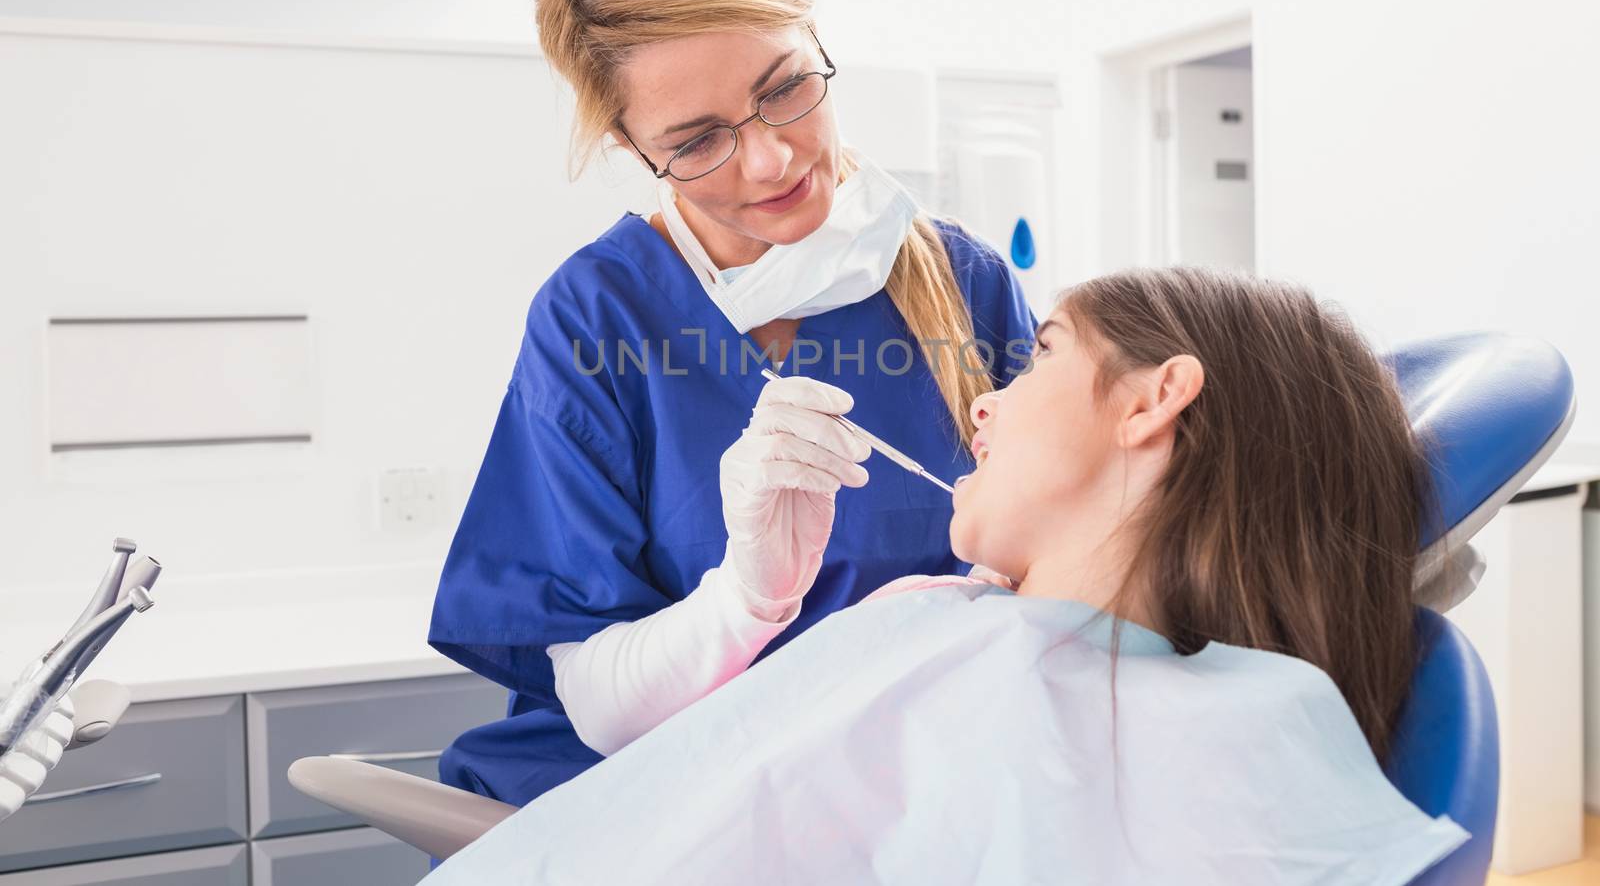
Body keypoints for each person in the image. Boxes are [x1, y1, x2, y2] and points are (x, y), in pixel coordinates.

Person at [422, 267, 1468, 884]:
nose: (982, 403)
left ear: (1152, 401)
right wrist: (748, 593)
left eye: (1035, 358)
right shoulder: (950, 628)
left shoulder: (1217, 728)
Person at [427, 0, 1036, 805]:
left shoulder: (968, 285)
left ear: (817, 41)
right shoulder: (600, 321)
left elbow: (1068, 562)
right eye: (698, 140)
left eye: (785, 88)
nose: (771, 160)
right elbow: (596, 703)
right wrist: (746, 596)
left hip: (913, 790)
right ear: (637, 152)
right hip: (691, 806)